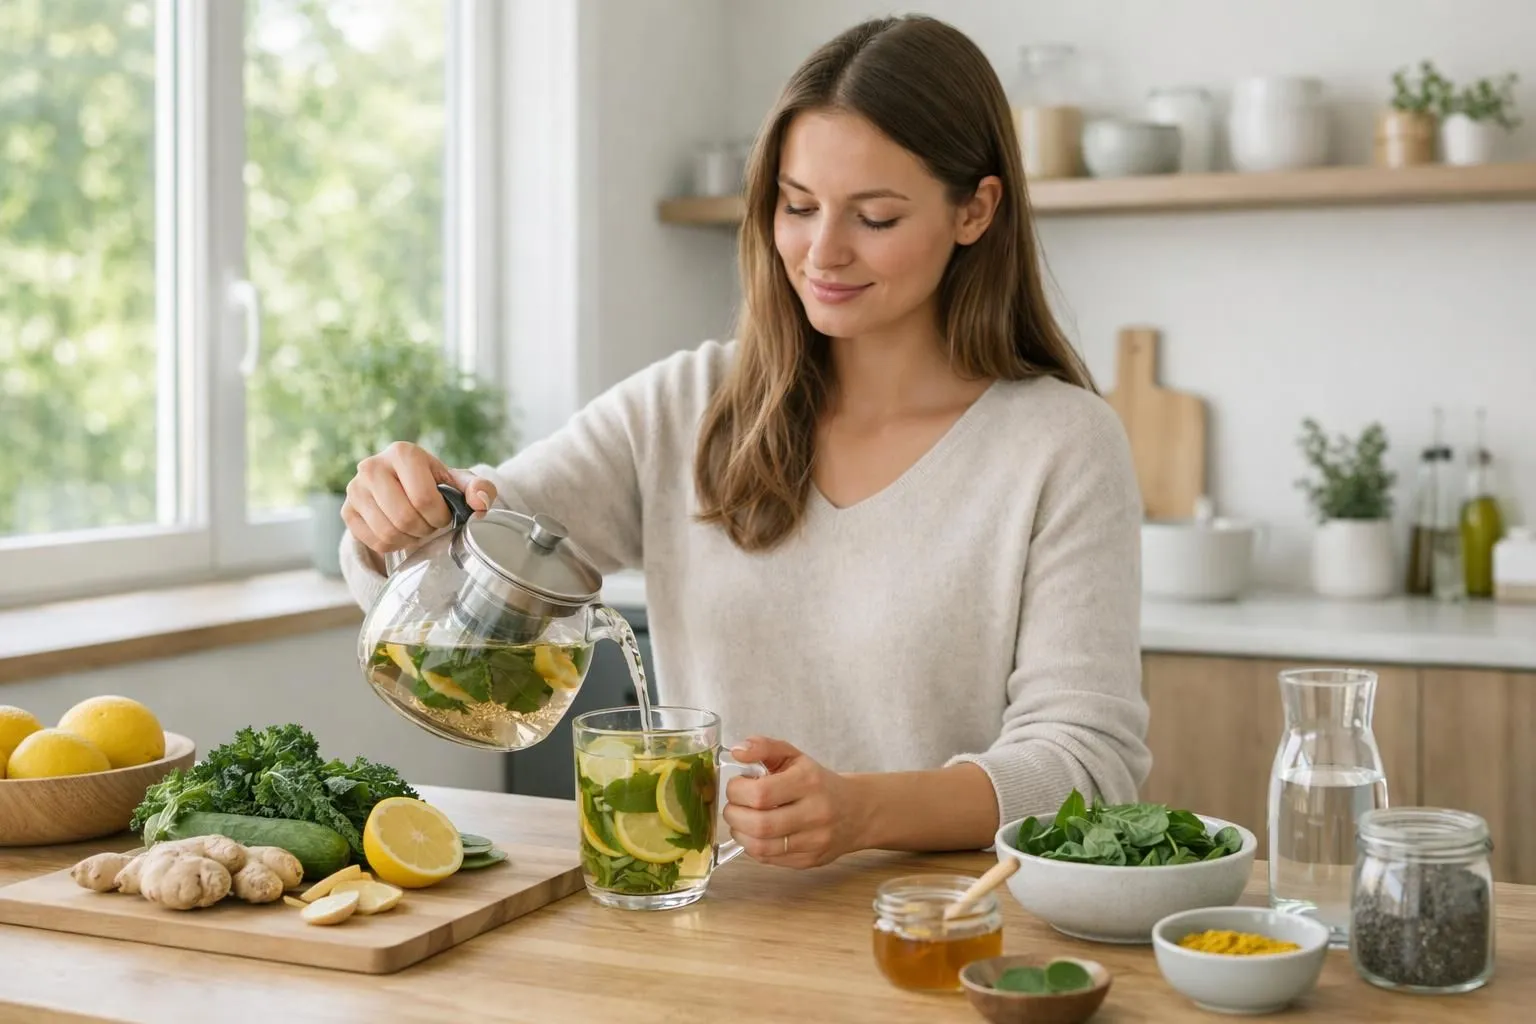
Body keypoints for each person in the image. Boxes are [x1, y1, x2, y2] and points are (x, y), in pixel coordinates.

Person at [338, 14, 1150, 869]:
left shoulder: (1061, 445)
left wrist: (863, 811)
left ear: (975, 210)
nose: (822, 252)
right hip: (715, 917)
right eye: (797, 207)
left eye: (875, 218)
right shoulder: (685, 407)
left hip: (943, 925)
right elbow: (478, 546)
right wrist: (402, 511)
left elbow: (1086, 764)